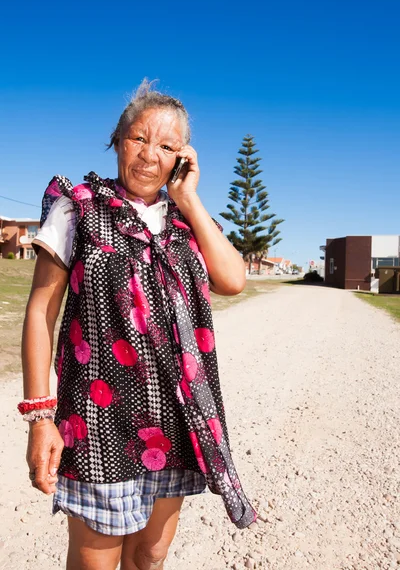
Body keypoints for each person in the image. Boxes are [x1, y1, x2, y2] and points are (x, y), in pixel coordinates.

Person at [20, 80, 256, 570]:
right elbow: (41, 312)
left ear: (182, 159)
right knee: (95, 563)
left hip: (175, 419)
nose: (150, 155)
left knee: (150, 555)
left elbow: (233, 279)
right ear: (117, 140)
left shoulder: (184, 223)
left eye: (167, 146)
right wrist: (40, 418)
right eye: (139, 139)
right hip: (96, 422)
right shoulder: (78, 207)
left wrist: (189, 199)